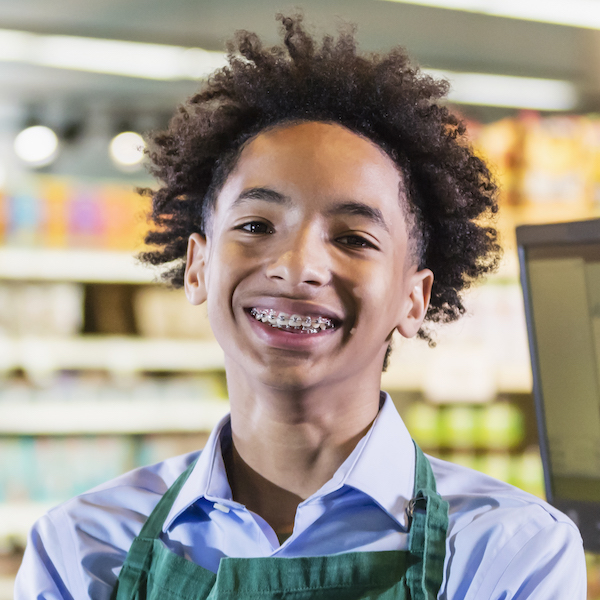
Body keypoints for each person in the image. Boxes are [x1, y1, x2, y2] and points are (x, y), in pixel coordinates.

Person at [15, 14, 586, 600]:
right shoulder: (82, 546)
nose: (297, 266)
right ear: (198, 266)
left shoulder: (510, 550)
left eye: (353, 238)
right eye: (257, 224)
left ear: (413, 300)